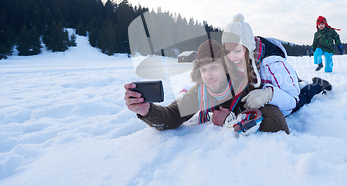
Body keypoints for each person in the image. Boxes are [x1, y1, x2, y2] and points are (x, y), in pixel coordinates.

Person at [124, 39, 290, 134]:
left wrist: (231, 122)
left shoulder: (246, 87)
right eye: (203, 70)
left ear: (226, 68)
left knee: (304, 93)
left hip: (280, 82)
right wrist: (146, 110)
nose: (208, 75)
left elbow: (278, 124)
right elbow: (171, 116)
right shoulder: (200, 92)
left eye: (213, 67)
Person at [220, 14, 332, 119]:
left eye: (237, 51)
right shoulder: (238, 60)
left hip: (288, 91)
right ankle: (298, 80)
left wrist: (268, 95)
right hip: (280, 80)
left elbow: (293, 100)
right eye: (228, 51)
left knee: (302, 97)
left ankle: (318, 84)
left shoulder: (274, 65)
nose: (232, 57)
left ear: (248, 48)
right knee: (293, 82)